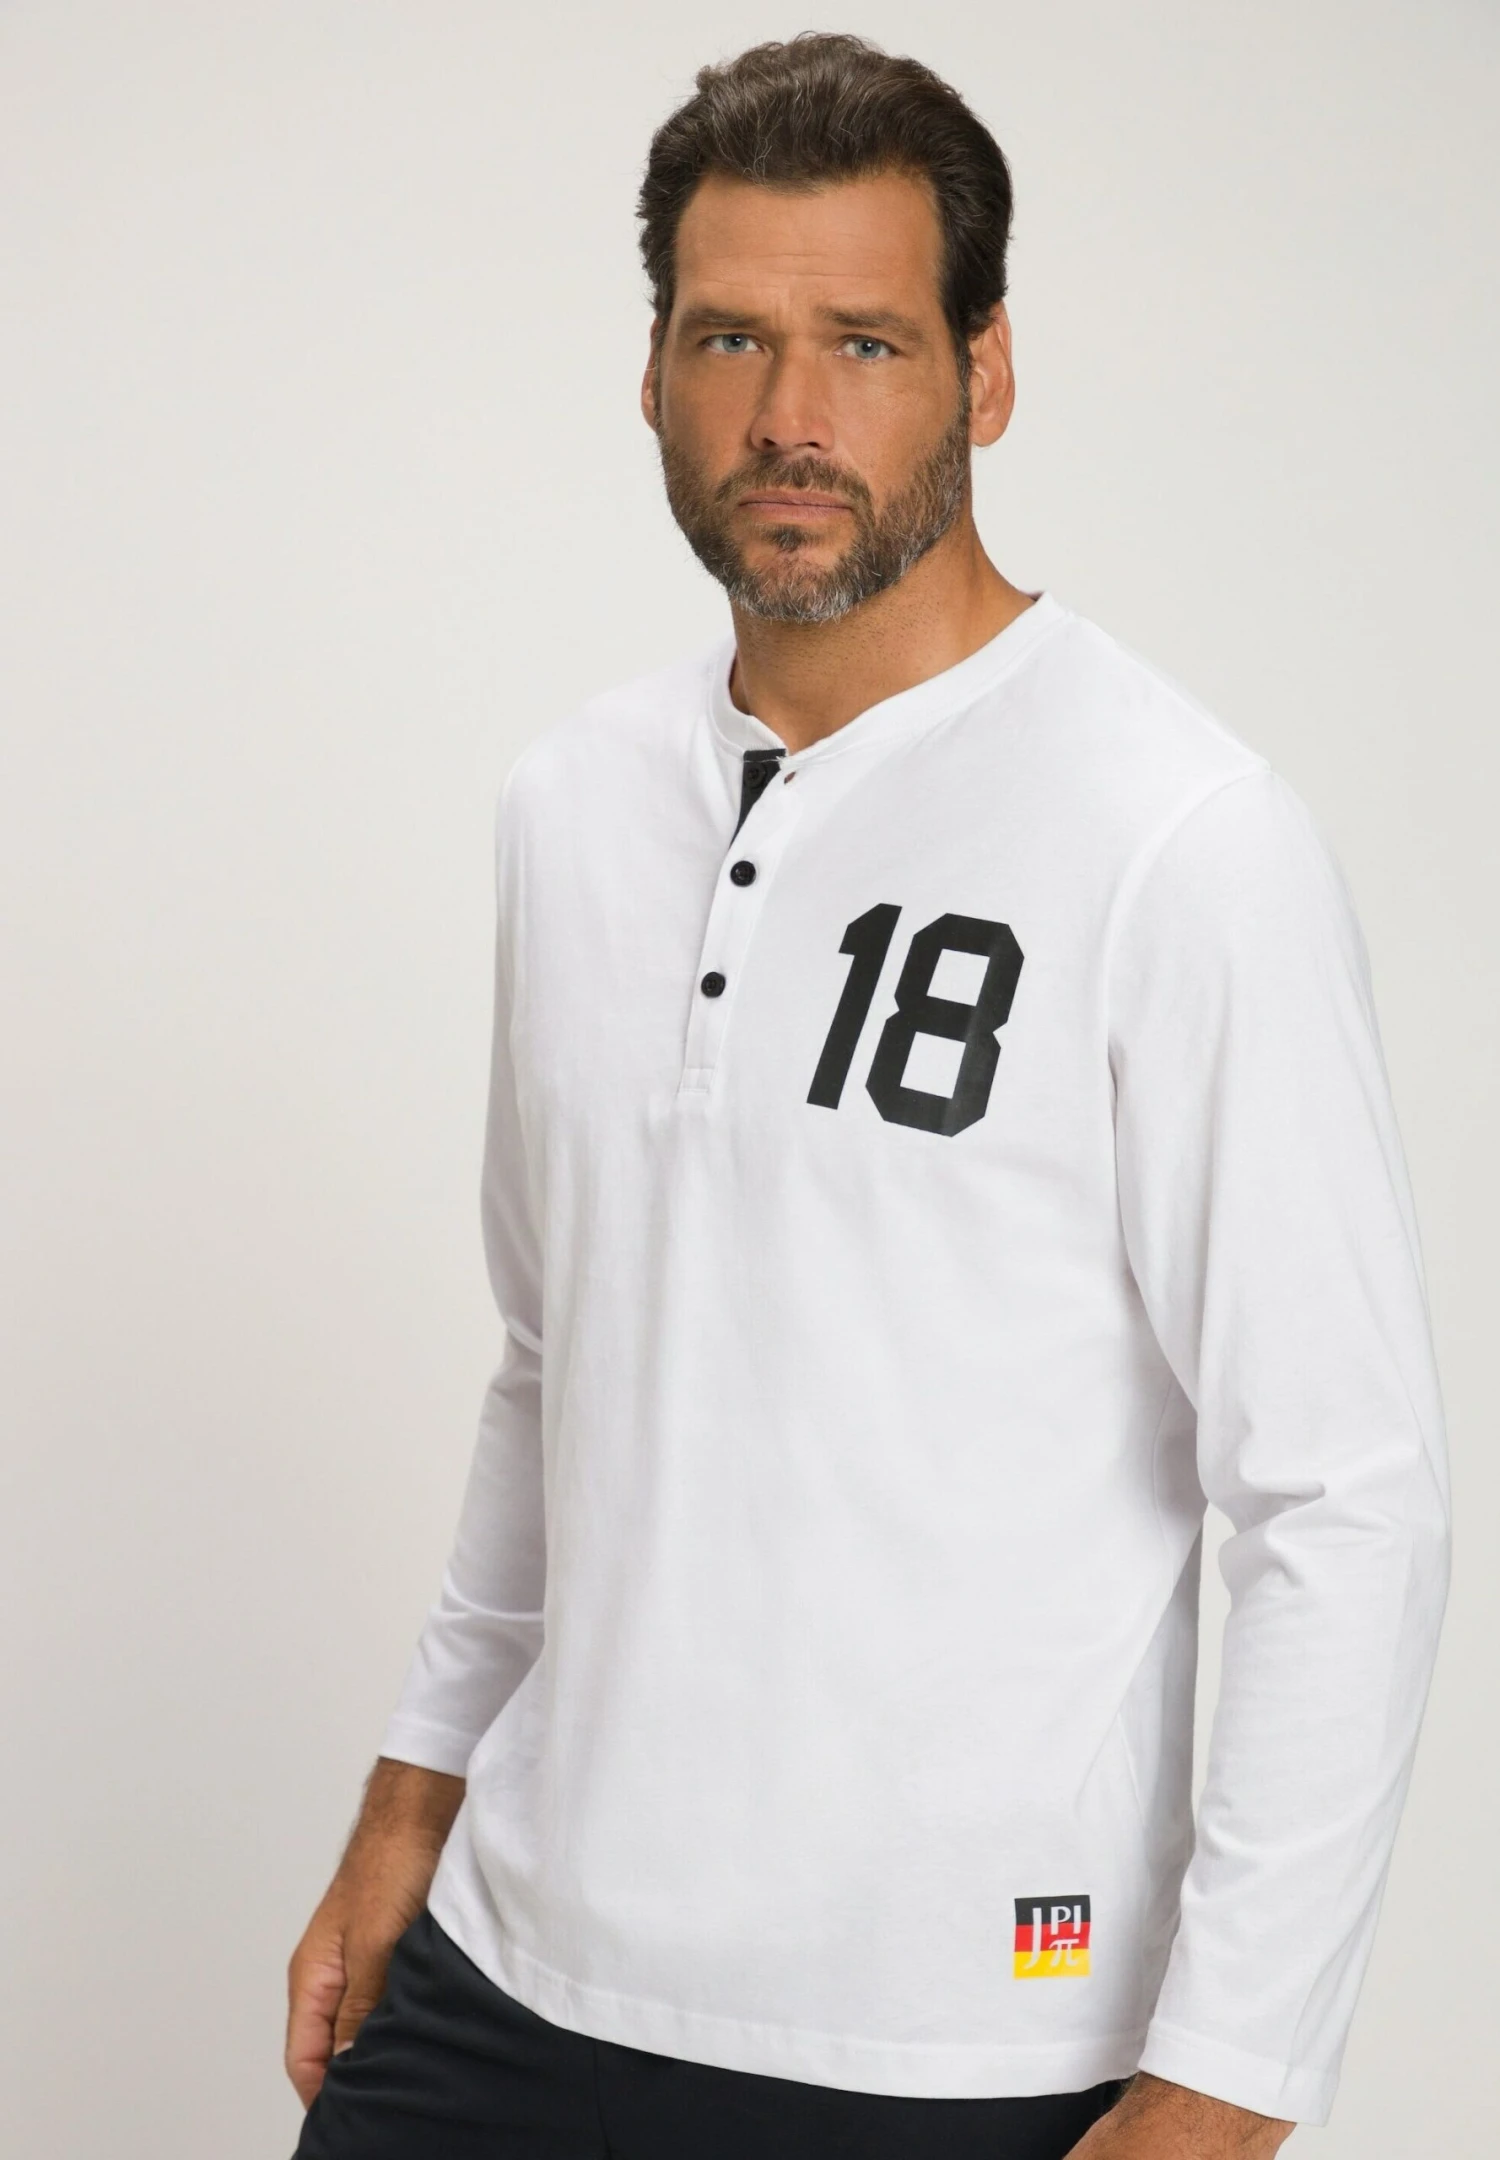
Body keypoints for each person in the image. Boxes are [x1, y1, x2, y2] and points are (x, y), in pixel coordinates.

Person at [285, 33, 1450, 2160]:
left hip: (953, 2047)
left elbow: (1341, 1496)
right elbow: (558, 1358)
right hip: (513, 1980)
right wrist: (412, 1790)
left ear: (984, 375)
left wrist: (1225, 2086)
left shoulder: (1181, 839)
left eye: (867, 343)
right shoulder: (571, 806)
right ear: (654, 374)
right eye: (731, 337)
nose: (790, 416)